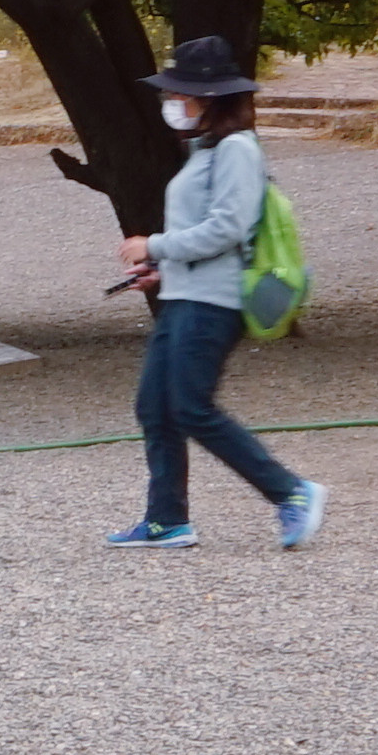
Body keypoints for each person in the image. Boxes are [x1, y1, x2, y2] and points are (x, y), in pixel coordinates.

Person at [110, 36, 327, 550]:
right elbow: (210, 235)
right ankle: (166, 520)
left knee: (190, 407)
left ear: (207, 97)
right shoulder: (207, 148)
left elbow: (227, 229)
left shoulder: (235, 149)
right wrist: (164, 272)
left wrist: (153, 245)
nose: (172, 103)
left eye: (179, 93)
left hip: (215, 302)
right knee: (155, 407)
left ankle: (292, 493)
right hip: (188, 295)